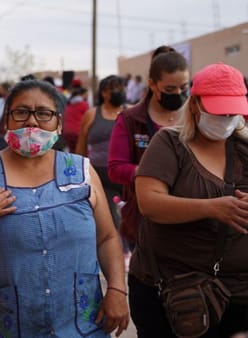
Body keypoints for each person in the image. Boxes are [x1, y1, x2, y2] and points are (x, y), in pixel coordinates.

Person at [0, 79, 129, 337]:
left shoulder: (81, 171)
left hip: (82, 324)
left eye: (44, 113)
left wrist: (117, 289)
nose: (32, 122)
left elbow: (106, 237)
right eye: (21, 112)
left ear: (58, 122)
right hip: (12, 325)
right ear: (7, 120)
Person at [130, 62, 248, 337]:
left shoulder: (243, 147)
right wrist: (213, 208)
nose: (228, 117)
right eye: (219, 111)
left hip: (239, 295)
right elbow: (149, 203)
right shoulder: (170, 144)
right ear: (195, 105)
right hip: (178, 295)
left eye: (234, 111)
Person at [107, 46, 189, 251]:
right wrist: (152, 175)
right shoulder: (131, 119)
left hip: (190, 216)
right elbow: (115, 168)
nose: (178, 94)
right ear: (152, 84)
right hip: (144, 220)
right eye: (170, 90)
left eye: (184, 87)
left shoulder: (195, 115)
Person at [75, 75, 126, 229]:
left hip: (127, 177)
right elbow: (81, 144)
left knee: (130, 220)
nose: (119, 92)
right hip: (101, 177)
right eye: (114, 89)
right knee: (110, 221)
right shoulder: (92, 114)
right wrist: (78, 173)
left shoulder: (131, 113)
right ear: (104, 93)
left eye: (121, 88)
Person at [63, 86, 90, 151]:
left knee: (72, 153)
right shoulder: (84, 104)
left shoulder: (69, 104)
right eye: (86, 94)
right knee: (81, 152)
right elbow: (89, 118)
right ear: (82, 94)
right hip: (78, 132)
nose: (87, 96)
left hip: (66, 132)